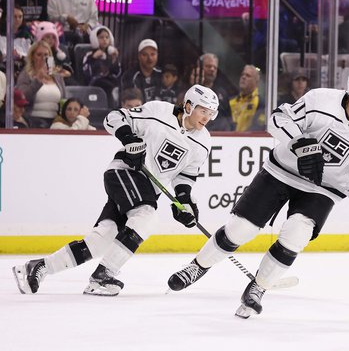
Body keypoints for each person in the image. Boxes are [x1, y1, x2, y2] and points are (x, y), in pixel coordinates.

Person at [166, 66, 349, 319]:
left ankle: (258, 288)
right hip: (280, 171)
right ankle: (197, 267)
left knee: (297, 233)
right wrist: (301, 145)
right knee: (241, 228)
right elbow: (277, 119)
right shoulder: (320, 101)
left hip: (322, 189)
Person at [12, 85, 219, 296]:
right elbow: (114, 117)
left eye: (211, 113)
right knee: (146, 216)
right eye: (203, 111)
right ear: (188, 105)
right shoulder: (159, 112)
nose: (207, 118)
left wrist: (184, 202)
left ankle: (39, 267)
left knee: (102, 239)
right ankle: (103, 276)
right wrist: (130, 140)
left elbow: (185, 176)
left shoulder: (203, 141)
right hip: (124, 172)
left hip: (148, 188)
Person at [16, 40, 66, 128]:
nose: (43, 58)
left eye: (46, 55)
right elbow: (22, 97)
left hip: (55, 121)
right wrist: (38, 81)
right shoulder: (26, 75)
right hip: (32, 120)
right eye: (39, 55)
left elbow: (64, 99)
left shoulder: (57, 77)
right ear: (32, 57)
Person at [82, 25, 121, 103]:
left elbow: (117, 73)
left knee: (118, 85)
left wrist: (114, 60)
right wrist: (93, 58)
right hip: (95, 82)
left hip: (110, 81)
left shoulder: (111, 54)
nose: (105, 40)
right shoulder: (89, 55)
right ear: (95, 39)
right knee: (109, 86)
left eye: (107, 37)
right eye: (101, 37)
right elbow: (87, 74)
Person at [121, 39, 162, 103]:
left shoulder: (162, 73)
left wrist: (177, 113)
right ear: (139, 56)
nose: (149, 58)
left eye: (153, 54)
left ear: (157, 55)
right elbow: (131, 103)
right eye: (145, 55)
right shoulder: (130, 76)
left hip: (161, 111)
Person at [230, 65, 266, 132]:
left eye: (248, 75)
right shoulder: (231, 101)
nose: (243, 77)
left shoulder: (261, 103)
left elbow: (258, 128)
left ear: (256, 81)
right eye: (242, 74)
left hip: (248, 140)